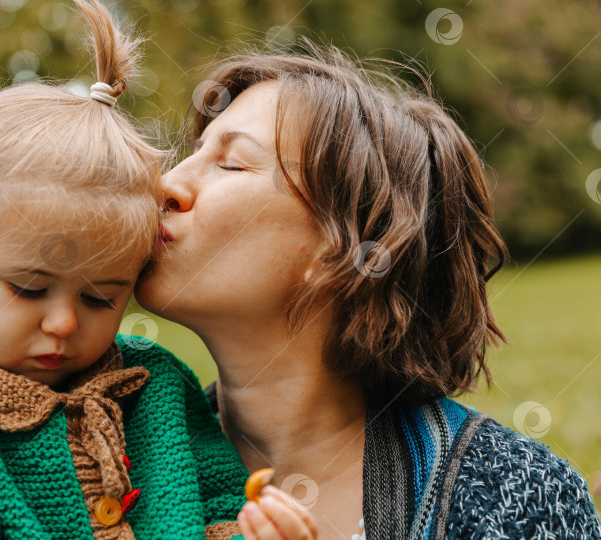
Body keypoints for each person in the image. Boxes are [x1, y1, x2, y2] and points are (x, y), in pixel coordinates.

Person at [135, 42, 601, 539]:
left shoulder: (515, 498)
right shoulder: (101, 450)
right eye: (192, 153)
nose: (165, 183)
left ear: (345, 249)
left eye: (231, 164)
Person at [0, 1, 264, 538]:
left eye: (100, 298)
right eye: (29, 288)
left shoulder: (156, 385)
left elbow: (222, 502)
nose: (63, 323)